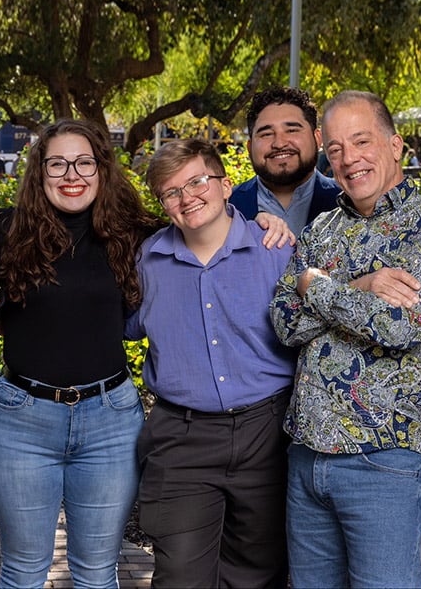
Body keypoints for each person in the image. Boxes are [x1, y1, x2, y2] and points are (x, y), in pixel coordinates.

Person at [270, 90, 421, 588]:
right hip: (307, 458)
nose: (348, 159)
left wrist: (314, 284)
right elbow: (283, 321)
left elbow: (401, 325)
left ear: (395, 144)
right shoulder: (322, 229)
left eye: (361, 141)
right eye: (335, 149)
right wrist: (359, 287)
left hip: (385, 458)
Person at [0, 119, 161, 588]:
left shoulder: (134, 234)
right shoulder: (0, 230)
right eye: (57, 163)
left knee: (97, 571)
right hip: (21, 423)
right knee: (22, 569)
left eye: (83, 162)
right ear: (39, 172)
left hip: (110, 423)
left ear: (101, 170)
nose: (71, 173)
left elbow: (206, 224)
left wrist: (261, 220)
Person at [126, 139, 296, 588]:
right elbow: (112, 324)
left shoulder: (276, 249)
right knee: (180, 576)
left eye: (198, 181)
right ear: (163, 204)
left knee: (259, 574)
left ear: (224, 186)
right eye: (171, 192)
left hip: (267, 433)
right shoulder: (146, 262)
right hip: (182, 439)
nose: (188, 197)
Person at [230, 86, 340, 233]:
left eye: (292, 130)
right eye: (266, 134)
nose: (279, 143)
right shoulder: (225, 208)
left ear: (317, 139)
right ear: (249, 148)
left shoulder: (347, 202)